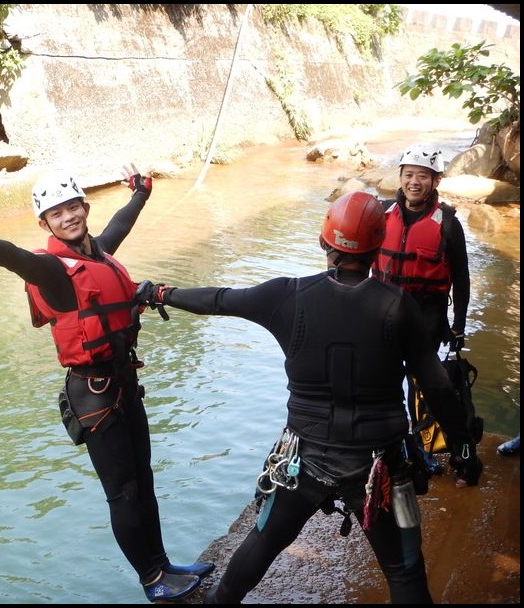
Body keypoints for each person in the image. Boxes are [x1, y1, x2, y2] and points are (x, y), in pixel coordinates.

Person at [134, 191, 483, 604]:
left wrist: (159, 293)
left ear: (323, 242)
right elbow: (438, 387)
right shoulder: (398, 306)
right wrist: (463, 449)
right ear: (377, 249)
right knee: (405, 572)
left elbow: (219, 299)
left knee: (260, 546)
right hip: (382, 468)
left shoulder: (287, 295)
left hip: (301, 462)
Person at [0, 165, 212, 603]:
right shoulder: (51, 269)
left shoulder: (98, 252)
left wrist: (140, 193)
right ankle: (153, 580)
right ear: (44, 223)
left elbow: (119, 225)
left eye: (73, 206)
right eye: (56, 212)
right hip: (94, 396)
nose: (67, 216)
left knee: (143, 481)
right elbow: (13, 257)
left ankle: (164, 564)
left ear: (84, 207)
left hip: (124, 384)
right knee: (123, 493)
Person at [372, 143, 472, 474]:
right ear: (400, 177)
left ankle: (446, 448)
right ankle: (400, 445)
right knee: (383, 382)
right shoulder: (381, 214)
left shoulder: (447, 223)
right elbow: (360, 262)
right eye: (409, 175)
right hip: (385, 314)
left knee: (428, 385)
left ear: (436, 181)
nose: (415, 182)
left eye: (423, 177)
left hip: (427, 317)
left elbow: (461, 276)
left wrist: (459, 324)